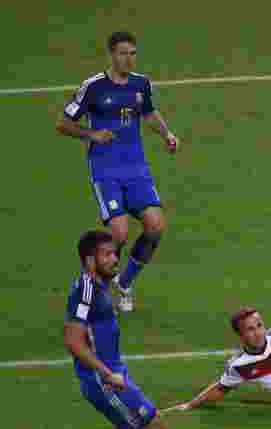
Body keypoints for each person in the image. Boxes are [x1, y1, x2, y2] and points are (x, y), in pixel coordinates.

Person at [56, 230, 244, 429]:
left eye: (115, 253)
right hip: (105, 380)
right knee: (157, 428)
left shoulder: (98, 285)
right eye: (107, 254)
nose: (115, 259)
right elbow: (73, 341)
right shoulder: (86, 290)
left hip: (113, 374)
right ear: (89, 259)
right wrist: (107, 373)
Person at [57, 31, 180, 312]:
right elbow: (63, 124)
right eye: (123, 53)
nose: (129, 59)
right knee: (119, 233)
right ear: (112, 55)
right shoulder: (93, 86)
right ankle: (95, 288)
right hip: (105, 169)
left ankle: (124, 283)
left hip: (136, 168)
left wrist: (167, 135)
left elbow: (148, 113)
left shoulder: (141, 84)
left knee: (156, 225)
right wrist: (91, 134)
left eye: (133, 53)